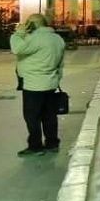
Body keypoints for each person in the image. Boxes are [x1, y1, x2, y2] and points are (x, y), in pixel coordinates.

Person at [10, 14, 66, 156]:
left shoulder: (35, 38)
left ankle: (35, 146)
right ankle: (52, 143)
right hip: (51, 83)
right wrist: (57, 78)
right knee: (49, 115)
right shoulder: (57, 39)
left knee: (32, 117)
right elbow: (61, 64)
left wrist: (18, 34)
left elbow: (17, 49)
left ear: (32, 24)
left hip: (33, 85)